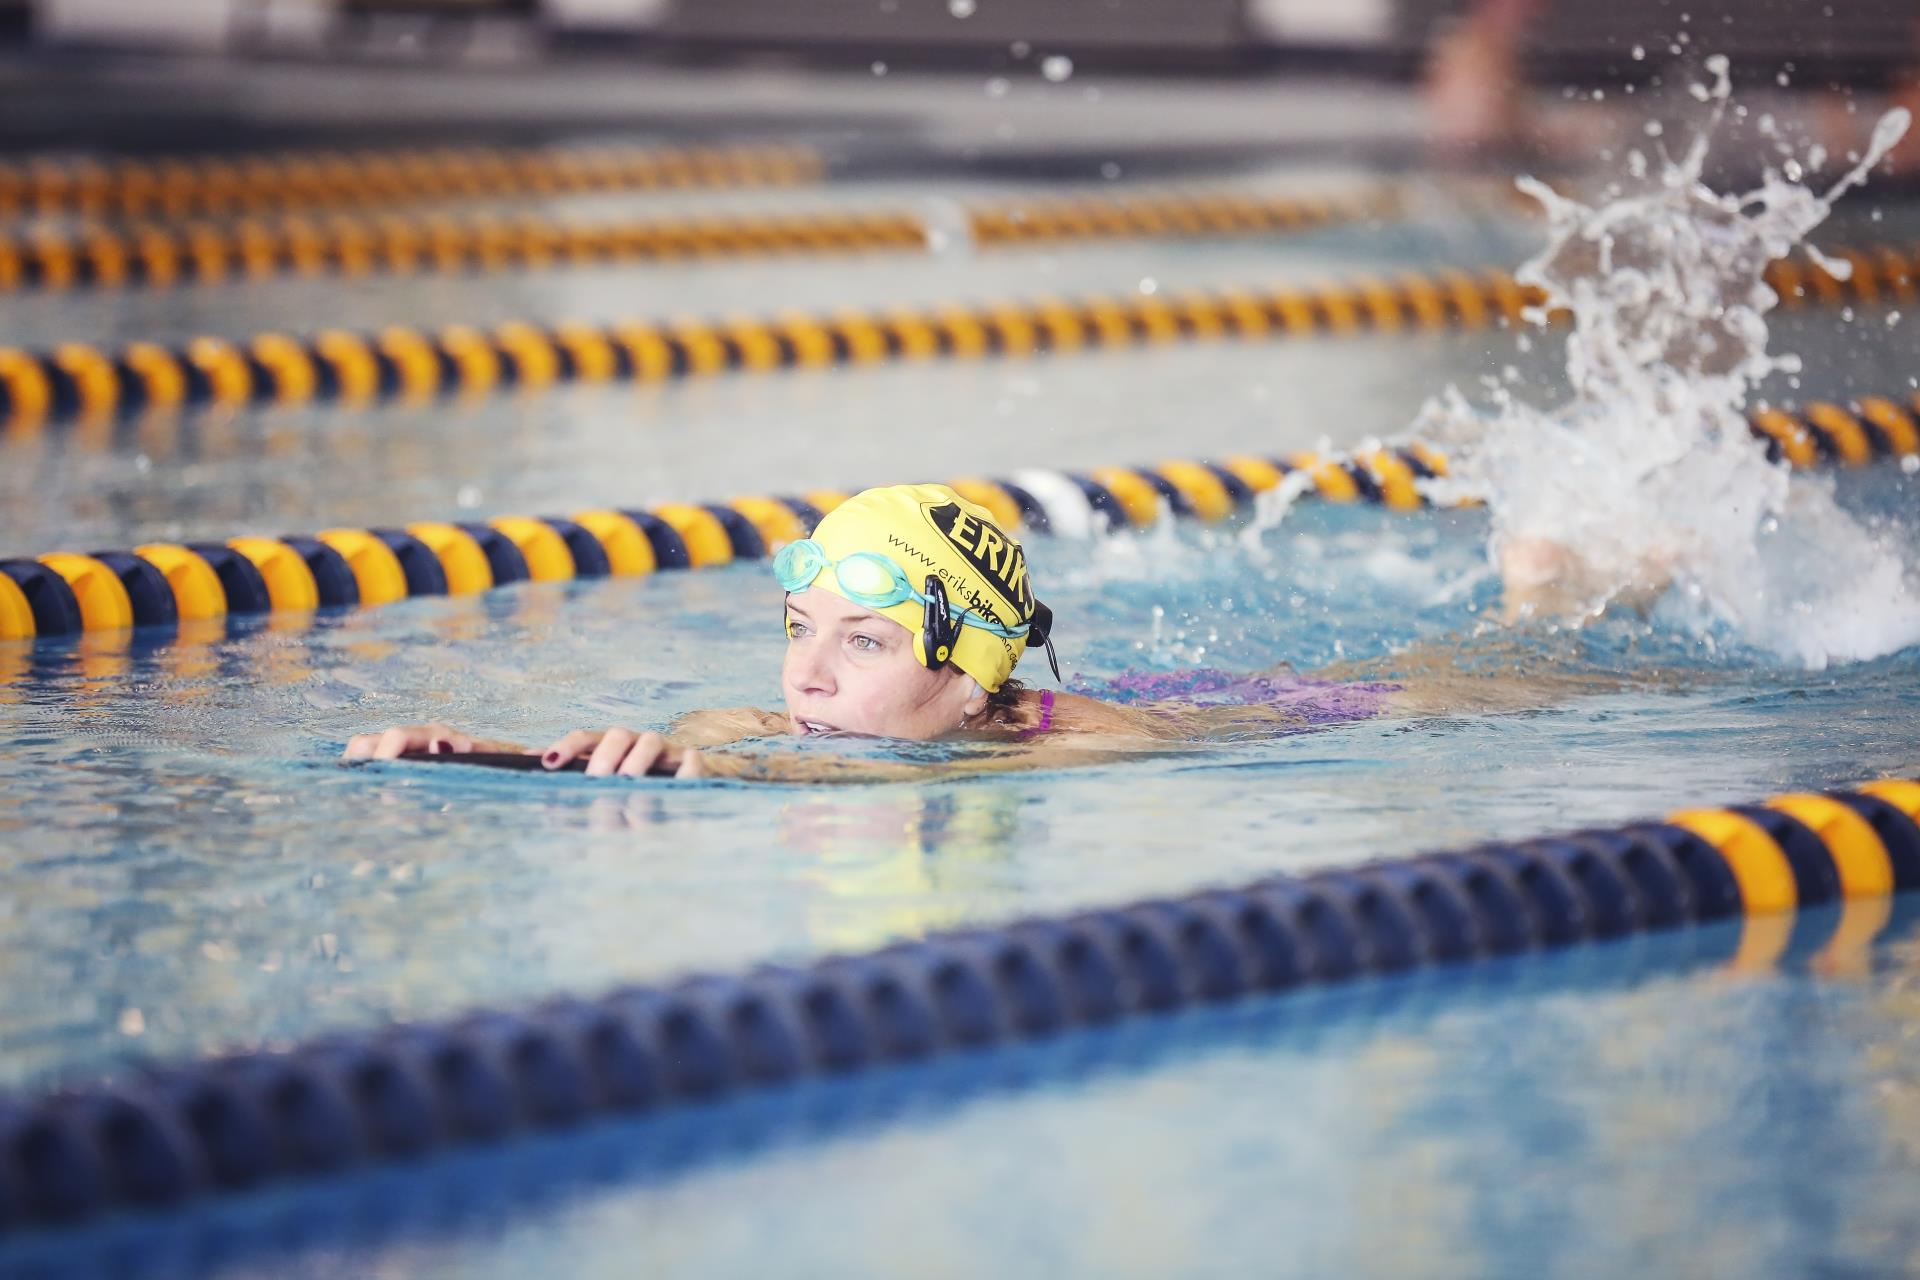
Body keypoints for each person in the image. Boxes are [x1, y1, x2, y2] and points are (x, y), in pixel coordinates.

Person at [342, 483, 1647, 783]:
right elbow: (707, 754)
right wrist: (504, 759)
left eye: (862, 643)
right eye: (801, 630)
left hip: (1288, 708)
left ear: (969, 682)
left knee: (1496, 679)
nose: (804, 673)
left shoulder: (1064, 748)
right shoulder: (764, 718)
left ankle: (1560, 603)